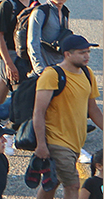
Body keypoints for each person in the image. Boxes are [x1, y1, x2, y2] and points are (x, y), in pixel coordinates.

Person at [32, 34, 102, 199]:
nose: (87, 56)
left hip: (75, 142)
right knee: (73, 185)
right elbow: (38, 112)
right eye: (82, 53)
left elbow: (93, 109)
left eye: (88, 52)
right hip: (57, 141)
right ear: (67, 54)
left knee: (51, 182)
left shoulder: (87, 74)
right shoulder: (52, 75)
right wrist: (41, 144)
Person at [27, 0, 74, 75]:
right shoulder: (40, 12)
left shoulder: (65, 12)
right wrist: (40, 69)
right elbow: (32, 42)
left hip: (59, 67)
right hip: (43, 68)